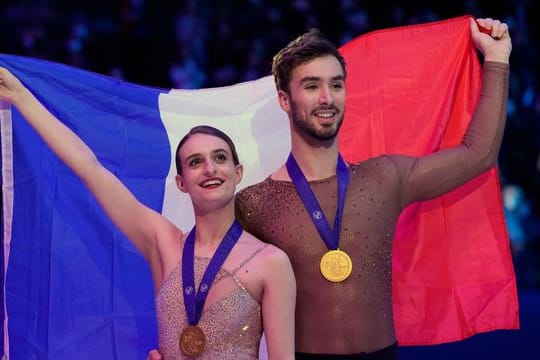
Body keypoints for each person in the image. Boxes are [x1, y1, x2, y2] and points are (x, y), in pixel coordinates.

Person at [149, 16, 511, 360]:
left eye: (336, 84)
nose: (327, 97)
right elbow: (199, 276)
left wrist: (496, 61)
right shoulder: (252, 203)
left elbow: (477, 155)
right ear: (284, 100)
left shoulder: (384, 178)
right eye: (311, 86)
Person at [0, 71, 296, 359]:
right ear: (181, 182)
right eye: (195, 162)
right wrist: (20, 96)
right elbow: (89, 169)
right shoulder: (163, 244)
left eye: (220, 157)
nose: (210, 168)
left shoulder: (271, 263)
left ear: (237, 171)